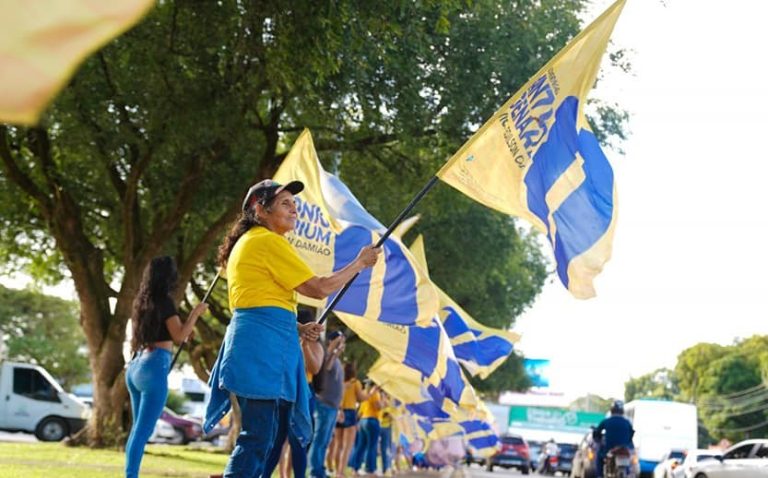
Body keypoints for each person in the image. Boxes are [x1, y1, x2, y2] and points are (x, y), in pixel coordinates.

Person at [204, 178, 380, 478]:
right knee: (259, 436)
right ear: (260, 209)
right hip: (261, 349)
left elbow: (257, 299)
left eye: (294, 204)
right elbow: (318, 288)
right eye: (285, 203)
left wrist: (297, 327)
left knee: (271, 434)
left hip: (263, 343)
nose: (294, 209)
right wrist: (359, 263)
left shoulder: (256, 241)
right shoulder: (265, 240)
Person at [125, 256, 208, 478]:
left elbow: (170, 333)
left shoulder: (141, 302)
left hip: (136, 365)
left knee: (137, 431)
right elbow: (180, 337)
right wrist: (195, 314)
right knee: (143, 432)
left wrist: (184, 329)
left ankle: (130, 474)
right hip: (154, 366)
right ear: (169, 277)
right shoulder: (165, 301)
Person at [265, 309, 324, 478]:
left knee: (298, 439)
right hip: (283, 392)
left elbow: (315, 368)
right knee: (276, 440)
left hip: (304, 394)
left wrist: (305, 345)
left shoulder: (315, 346)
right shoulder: (285, 340)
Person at [308, 330, 346, 478]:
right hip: (324, 404)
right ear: (331, 341)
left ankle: (320, 470)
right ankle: (315, 472)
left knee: (325, 441)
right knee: (319, 440)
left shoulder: (336, 360)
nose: (341, 343)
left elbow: (339, 386)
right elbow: (325, 368)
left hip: (333, 407)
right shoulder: (325, 354)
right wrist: (334, 349)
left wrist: (340, 408)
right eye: (338, 340)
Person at [331, 362, 373, 478]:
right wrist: (369, 393)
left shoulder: (338, 381)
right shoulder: (355, 383)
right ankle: (340, 472)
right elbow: (361, 398)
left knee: (337, 445)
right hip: (349, 412)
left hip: (338, 412)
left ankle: (336, 471)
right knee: (346, 446)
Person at [593, 400, 635, 478]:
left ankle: (599, 475)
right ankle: (628, 472)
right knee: (629, 461)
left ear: (612, 410)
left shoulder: (606, 421)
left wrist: (598, 438)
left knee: (599, 455)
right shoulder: (627, 422)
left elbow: (597, 432)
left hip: (609, 448)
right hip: (624, 448)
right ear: (622, 411)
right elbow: (632, 433)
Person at [349, 382, 382, 475]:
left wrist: (357, 423)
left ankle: (355, 468)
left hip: (363, 420)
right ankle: (370, 469)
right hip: (372, 420)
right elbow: (377, 406)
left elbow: (359, 412)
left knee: (361, 445)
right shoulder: (375, 393)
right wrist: (382, 403)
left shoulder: (363, 393)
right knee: (372, 446)